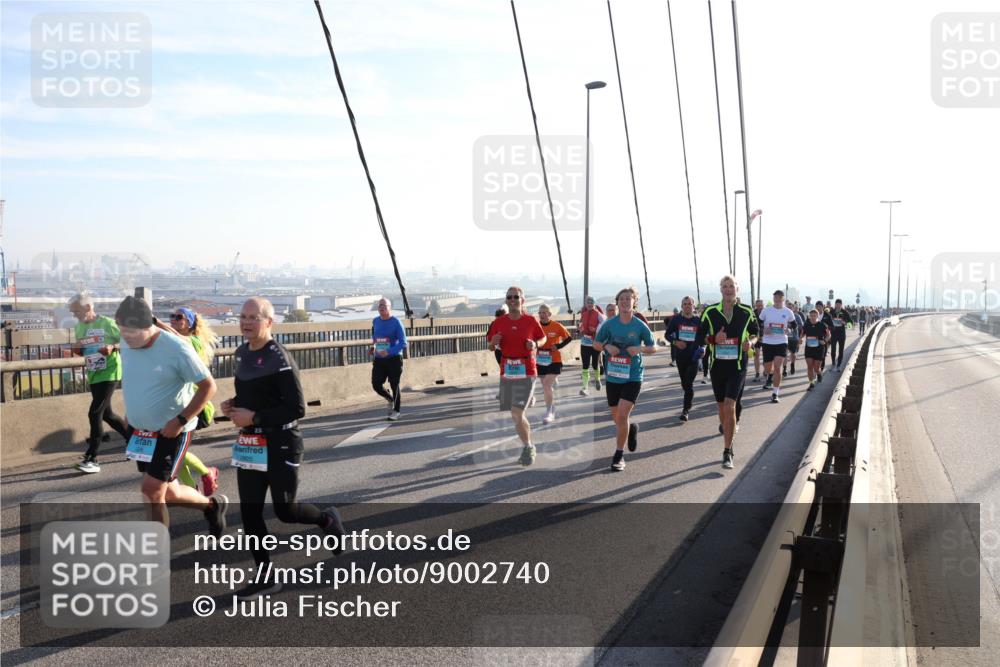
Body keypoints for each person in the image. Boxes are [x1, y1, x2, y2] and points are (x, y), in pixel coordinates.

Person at [222, 297, 345, 598]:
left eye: (253, 317)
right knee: (250, 513)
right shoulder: (241, 353)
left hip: (281, 443)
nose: (246, 322)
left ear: (269, 322)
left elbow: (297, 408)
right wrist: (234, 405)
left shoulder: (279, 358)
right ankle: (266, 576)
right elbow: (255, 394)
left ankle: (326, 518)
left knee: (286, 511)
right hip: (251, 444)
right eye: (243, 316)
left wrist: (255, 417)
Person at [115, 296, 228, 536]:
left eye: (131, 333)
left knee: (152, 490)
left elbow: (208, 386)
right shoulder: (127, 340)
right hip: (140, 431)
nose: (126, 338)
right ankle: (211, 506)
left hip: (171, 430)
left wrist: (180, 421)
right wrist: (131, 414)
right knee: (169, 492)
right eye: (122, 331)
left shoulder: (177, 348)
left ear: (148, 326)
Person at [696, 275, 759, 469]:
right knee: (722, 407)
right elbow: (699, 336)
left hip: (738, 366)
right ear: (721, 289)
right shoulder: (710, 312)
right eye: (725, 286)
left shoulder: (746, 311)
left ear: (737, 289)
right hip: (718, 366)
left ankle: (727, 451)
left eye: (731, 286)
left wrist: (751, 342)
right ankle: (729, 428)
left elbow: (756, 332)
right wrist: (714, 339)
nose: (728, 289)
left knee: (730, 405)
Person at [594, 287, 657, 472]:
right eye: (621, 299)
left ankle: (619, 455)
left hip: (633, 376)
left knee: (622, 416)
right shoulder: (609, 324)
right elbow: (596, 343)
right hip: (613, 376)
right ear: (617, 302)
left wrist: (639, 349)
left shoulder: (639, 325)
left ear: (634, 302)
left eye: (628, 298)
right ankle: (631, 429)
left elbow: (653, 347)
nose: (624, 301)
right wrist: (606, 347)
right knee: (618, 418)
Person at [68, 292, 130, 473]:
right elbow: (82, 351)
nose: (74, 315)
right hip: (94, 373)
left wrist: (113, 347)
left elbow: (127, 341)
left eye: (76, 311)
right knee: (107, 414)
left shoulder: (107, 323)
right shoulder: (79, 327)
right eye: (73, 312)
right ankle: (134, 442)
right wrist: (77, 349)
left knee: (95, 412)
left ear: (88, 307)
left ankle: (92, 457)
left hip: (110, 372)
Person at [488, 287, 547, 466]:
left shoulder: (530, 320)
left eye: (516, 297)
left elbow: (543, 338)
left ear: (522, 300)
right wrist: (493, 343)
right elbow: (490, 346)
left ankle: (528, 447)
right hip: (507, 369)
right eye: (509, 297)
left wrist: (535, 344)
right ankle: (528, 445)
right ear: (506, 300)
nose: (512, 299)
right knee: (515, 415)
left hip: (527, 369)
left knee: (517, 411)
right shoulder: (499, 322)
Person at [169, 307, 220, 496]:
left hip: (192, 402)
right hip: (176, 400)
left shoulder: (193, 341)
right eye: (172, 316)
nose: (174, 319)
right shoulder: (173, 341)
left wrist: (157, 325)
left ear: (189, 323)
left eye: (179, 317)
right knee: (174, 451)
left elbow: (179, 340)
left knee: (175, 451)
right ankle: (192, 490)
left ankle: (207, 473)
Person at [665, 296, 702, 421]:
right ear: (682, 306)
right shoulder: (676, 320)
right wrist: (676, 342)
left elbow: (704, 337)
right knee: (684, 384)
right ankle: (689, 398)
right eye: (685, 304)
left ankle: (685, 410)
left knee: (688, 383)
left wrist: (703, 349)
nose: (687, 306)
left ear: (693, 306)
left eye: (689, 304)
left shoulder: (698, 320)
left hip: (694, 357)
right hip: (680, 357)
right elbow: (667, 335)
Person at [371, 298, 408, 421]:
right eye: (380, 305)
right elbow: (375, 338)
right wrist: (373, 347)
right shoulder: (375, 321)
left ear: (390, 308)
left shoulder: (396, 322)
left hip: (394, 358)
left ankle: (396, 411)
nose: (382, 307)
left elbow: (403, 343)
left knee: (394, 384)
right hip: (379, 359)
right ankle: (389, 398)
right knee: (376, 384)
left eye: (384, 305)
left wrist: (389, 351)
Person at [758, 290, 797, 403]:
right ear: (773, 298)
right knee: (767, 368)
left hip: (781, 342)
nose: (777, 299)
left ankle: (775, 393)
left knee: (777, 367)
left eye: (780, 297)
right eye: (776, 297)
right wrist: (763, 330)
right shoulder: (766, 310)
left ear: (783, 299)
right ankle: (769, 376)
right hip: (767, 342)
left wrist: (789, 330)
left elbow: (794, 325)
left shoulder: (788, 312)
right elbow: (758, 323)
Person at [535, 304, 572, 424]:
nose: (542, 315)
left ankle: (549, 412)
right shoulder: (536, 326)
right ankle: (552, 406)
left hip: (554, 359)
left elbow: (569, 338)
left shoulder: (557, 326)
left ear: (550, 314)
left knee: (546, 385)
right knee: (545, 386)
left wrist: (558, 346)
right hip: (540, 359)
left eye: (544, 313)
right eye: (540, 313)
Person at [577, 296, 605, 396]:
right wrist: (580, 328)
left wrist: (596, 329)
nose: (589, 304)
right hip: (585, 341)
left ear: (594, 304)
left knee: (594, 364)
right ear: (586, 304)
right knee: (585, 365)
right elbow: (581, 324)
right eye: (588, 303)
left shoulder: (598, 314)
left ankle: (597, 379)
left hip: (595, 342)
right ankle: (585, 387)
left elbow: (604, 324)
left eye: (591, 303)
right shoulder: (584, 314)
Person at [802, 308, 831, 390]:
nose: (813, 317)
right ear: (809, 316)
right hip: (809, 348)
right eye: (811, 316)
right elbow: (802, 334)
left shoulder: (822, 325)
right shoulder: (806, 325)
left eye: (814, 315)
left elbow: (829, 335)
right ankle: (811, 383)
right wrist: (800, 339)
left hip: (819, 349)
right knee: (809, 367)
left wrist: (825, 341)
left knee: (816, 368)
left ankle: (818, 373)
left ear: (818, 316)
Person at [827, 299, 853, 371]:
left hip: (841, 334)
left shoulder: (845, 312)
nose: (838, 306)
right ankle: (833, 363)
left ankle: (839, 365)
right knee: (833, 349)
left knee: (841, 350)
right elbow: (827, 321)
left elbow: (851, 323)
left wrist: (845, 323)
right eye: (837, 304)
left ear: (841, 305)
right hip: (834, 333)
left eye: (839, 304)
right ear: (835, 304)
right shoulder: (831, 312)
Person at [786, 302, 804, 376]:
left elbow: (801, 326)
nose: (789, 309)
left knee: (793, 353)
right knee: (784, 354)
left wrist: (793, 326)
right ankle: (784, 368)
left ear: (793, 308)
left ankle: (792, 364)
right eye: (788, 307)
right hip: (784, 338)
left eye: (791, 308)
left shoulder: (797, 316)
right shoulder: (783, 315)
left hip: (794, 337)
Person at [752, 298, 765, 381]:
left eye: (761, 305)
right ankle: (757, 373)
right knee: (756, 355)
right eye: (758, 306)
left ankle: (766, 371)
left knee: (766, 356)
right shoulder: (753, 313)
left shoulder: (767, 312)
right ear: (755, 306)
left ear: (763, 305)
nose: (759, 307)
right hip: (756, 337)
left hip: (766, 337)